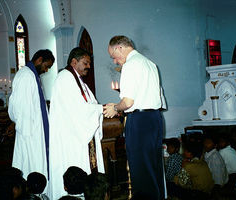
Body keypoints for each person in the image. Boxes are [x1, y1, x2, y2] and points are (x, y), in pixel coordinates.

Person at [103, 35, 166, 199]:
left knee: (141, 171)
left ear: (119, 48)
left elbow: (128, 102)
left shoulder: (130, 65)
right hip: (155, 119)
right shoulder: (150, 64)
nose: (115, 61)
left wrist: (115, 108)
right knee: (153, 168)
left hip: (140, 122)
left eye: (114, 56)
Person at [48, 47, 105, 200]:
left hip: (79, 135)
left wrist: (100, 109)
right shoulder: (65, 78)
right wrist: (102, 109)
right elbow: (77, 110)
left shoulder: (78, 81)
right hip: (71, 138)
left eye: (89, 63)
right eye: (86, 63)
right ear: (74, 61)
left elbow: (88, 106)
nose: (89, 66)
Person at [8, 49, 55, 180]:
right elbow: (19, 106)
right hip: (29, 132)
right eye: (47, 66)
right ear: (39, 60)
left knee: (36, 165)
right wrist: (27, 131)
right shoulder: (25, 76)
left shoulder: (32, 76)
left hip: (35, 131)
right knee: (30, 165)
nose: (46, 70)